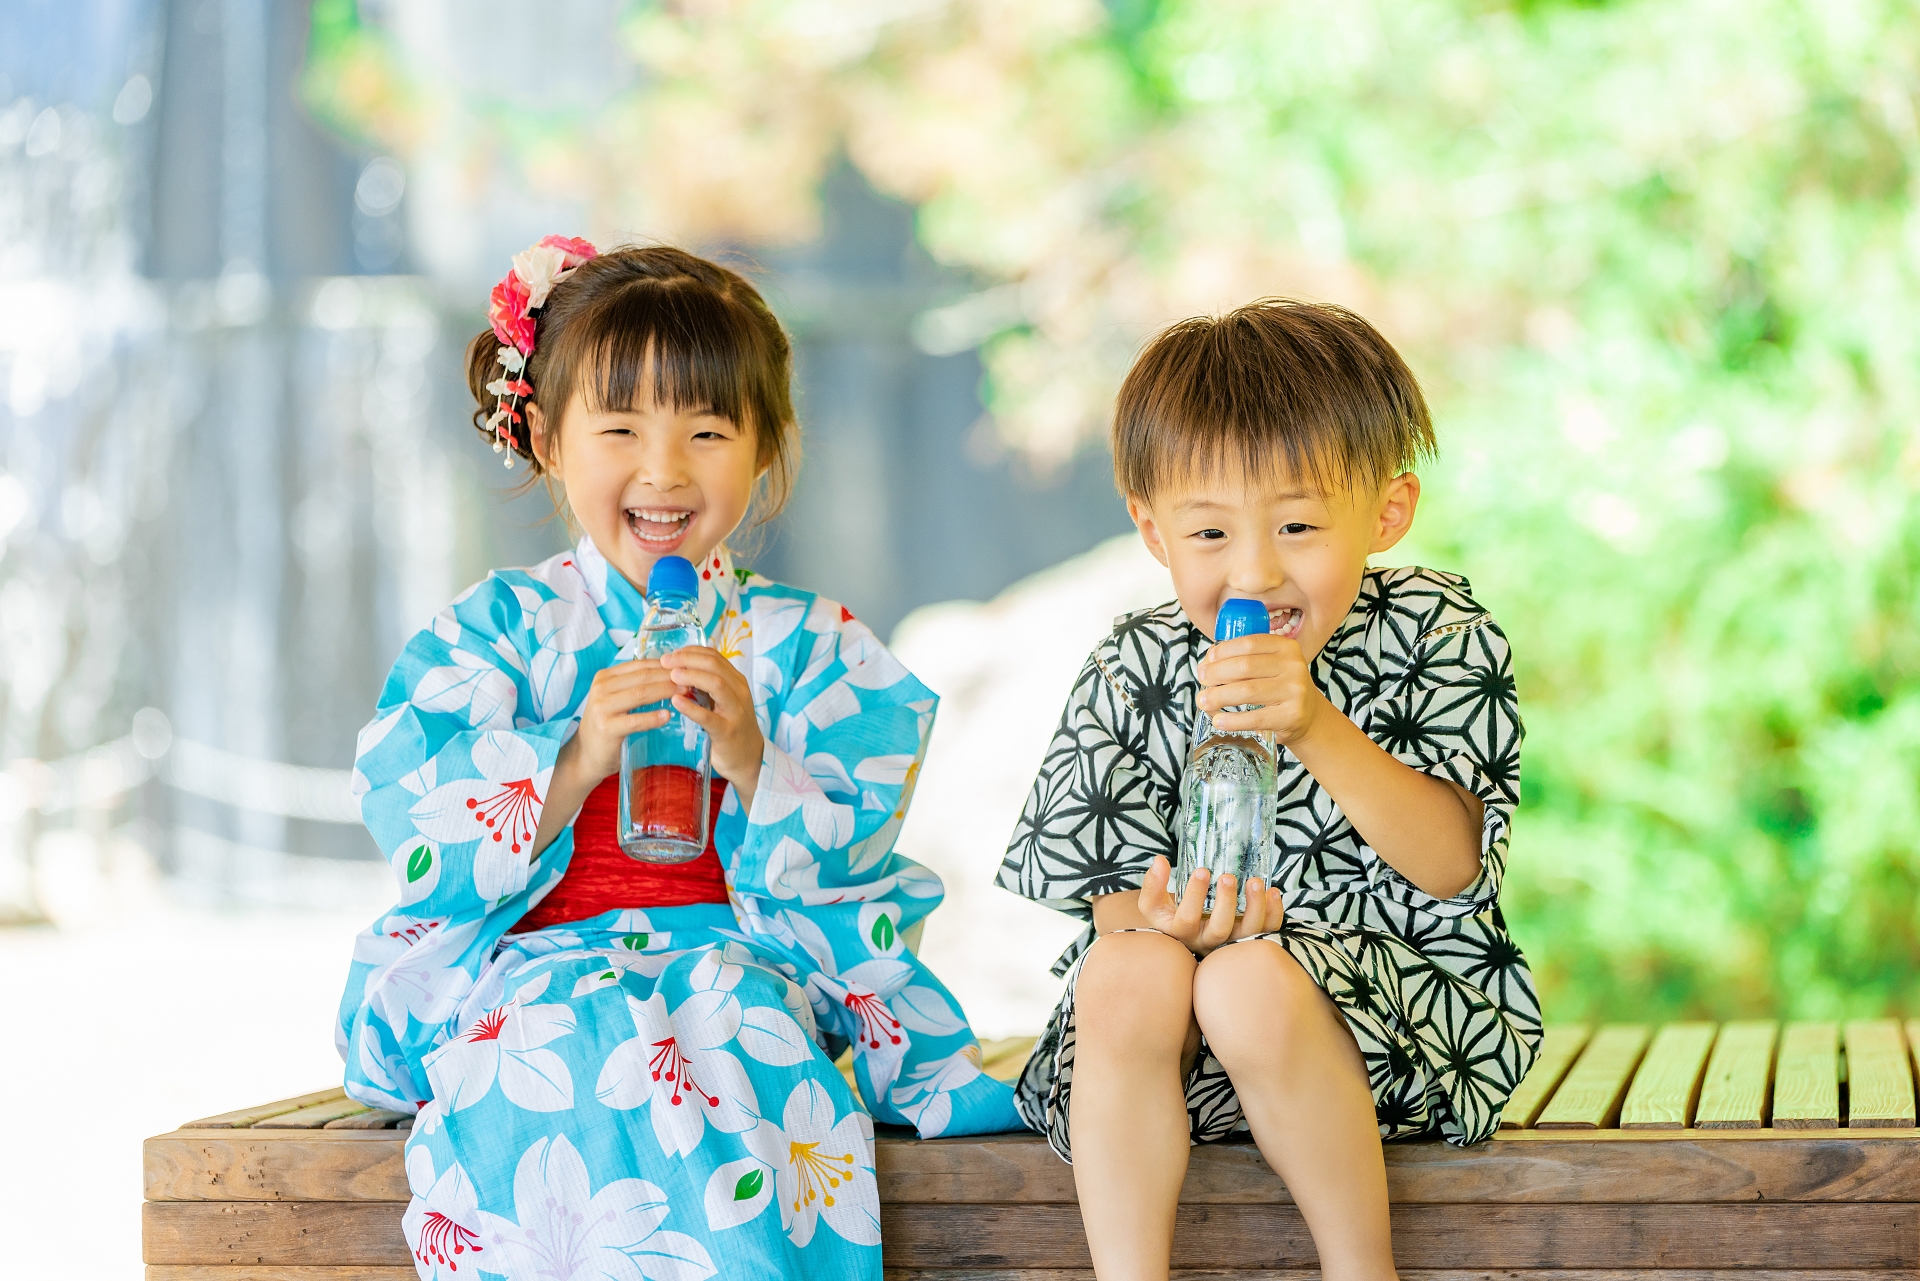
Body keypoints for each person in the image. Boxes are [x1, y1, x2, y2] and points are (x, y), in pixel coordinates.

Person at [337, 239, 1021, 1281]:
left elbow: (853, 826)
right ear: (549, 443)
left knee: (738, 1038)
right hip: (530, 963)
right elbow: (415, 804)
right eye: (620, 429)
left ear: (763, 449)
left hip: (740, 951)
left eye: (707, 430)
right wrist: (571, 763)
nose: (664, 470)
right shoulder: (497, 630)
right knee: (545, 1044)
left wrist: (752, 755)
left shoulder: (808, 643)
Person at [996, 300, 1541, 1281]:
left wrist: (1316, 724)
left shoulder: (1437, 631)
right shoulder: (1137, 661)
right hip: (1180, 1070)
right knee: (1127, 967)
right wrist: (1165, 922)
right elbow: (1107, 889)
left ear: (1387, 510)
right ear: (1153, 531)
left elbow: (1453, 865)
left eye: (1296, 523)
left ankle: (1361, 1270)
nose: (1255, 569)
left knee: (1248, 982)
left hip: (1401, 1041)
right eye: (1210, 533)